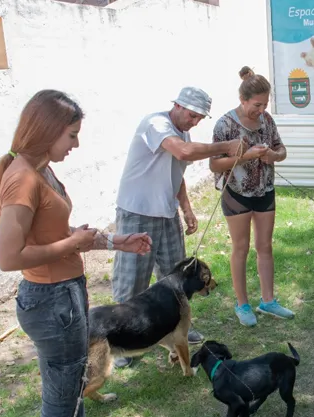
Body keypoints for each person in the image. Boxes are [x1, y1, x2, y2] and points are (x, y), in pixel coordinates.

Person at [0, 90, 152, 417]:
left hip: (63, 298)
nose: (76, 144)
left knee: (71, 396)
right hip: (52, 303)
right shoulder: (23, 179)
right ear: (47, 131)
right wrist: (72, 244)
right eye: (71, 135)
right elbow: (8, 257)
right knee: (62, 404)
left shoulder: (42, 171)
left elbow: (63, 234)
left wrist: (116, 242)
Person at [112, 86, 242, 367]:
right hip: (137, 212)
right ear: (178, 106)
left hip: (166, 213)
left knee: (177, 277)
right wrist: (225, 146)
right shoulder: (156, 124)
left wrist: (186, 208)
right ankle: (122, 341)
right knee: (132, 279)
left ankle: (177, 328)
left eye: (199, 119)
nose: (194, 122)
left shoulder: (181, 132)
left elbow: (176, 172)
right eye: (193, 116)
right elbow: (183, 153)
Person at [209, 67, 295, 326]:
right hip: (236, 193)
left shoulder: (267, 120)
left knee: (265, 247)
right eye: (257, 104)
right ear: (243, 100)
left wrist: (274, 156)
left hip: (265, 190)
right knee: (241, 248)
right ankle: (242, 304)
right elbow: (214, 164)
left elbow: (281, 148)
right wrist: (246, 156)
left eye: (265, 104)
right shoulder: (225, 124)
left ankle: (268, 301)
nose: (261, 109)